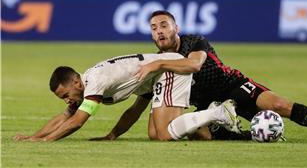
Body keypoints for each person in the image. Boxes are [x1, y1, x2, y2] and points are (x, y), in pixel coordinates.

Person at [134, 10, 307, 142]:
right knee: (198, 134)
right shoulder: (157, 66)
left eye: (164, 25)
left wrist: (157, 63)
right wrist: (114, 133)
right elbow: (141, 103)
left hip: (234, 87)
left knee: (278, 104)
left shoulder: (194, 42)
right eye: (154, 28)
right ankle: (251, 137)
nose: (159, 31)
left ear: (176, 28)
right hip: (208, 105)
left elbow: (194, 64)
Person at [13, 53, 240, 142]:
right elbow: (134, 110)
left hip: (170, 68)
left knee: (164, 135)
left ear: (75, 82)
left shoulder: (96, 82)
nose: (67, 101)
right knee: (155, 135)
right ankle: (207, 124)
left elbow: (77, 121)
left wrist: (45, 141)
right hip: (154, 78)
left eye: (65, 95)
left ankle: (218, 112)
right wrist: (32, 137)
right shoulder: (88, 86)